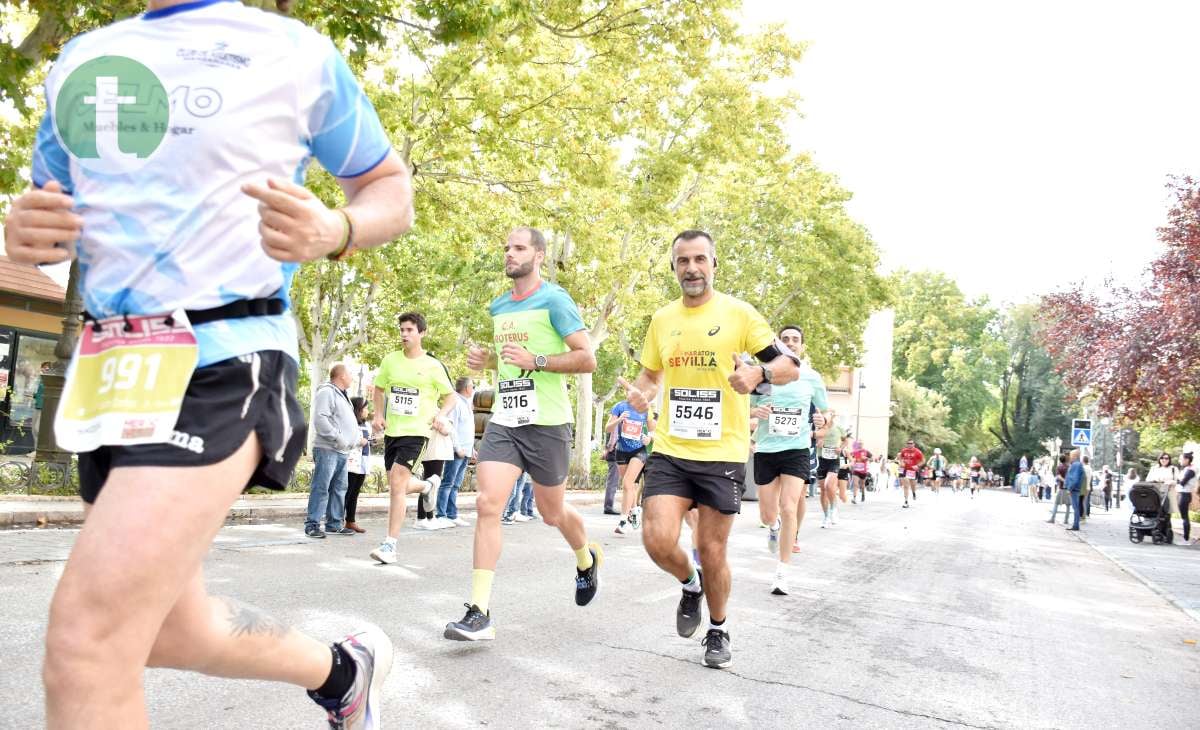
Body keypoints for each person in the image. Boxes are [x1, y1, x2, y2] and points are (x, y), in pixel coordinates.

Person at [7, 0, 415, 724]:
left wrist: (337, 227)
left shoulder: (296, 53)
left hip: (225, 356)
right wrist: (28, 226)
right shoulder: (82, 60)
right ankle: (343, 670)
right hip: (114, 377)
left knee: (85, 641)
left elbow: (389, 188)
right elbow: (50, 212)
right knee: (171, 629)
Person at [618, 229, 802, 668]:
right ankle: (689, 585)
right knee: (657, 539)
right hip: (671, 448)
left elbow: (788, 365)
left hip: (722, 451)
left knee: (712, 548)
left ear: (714, 265)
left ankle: (718, 629)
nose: (692, 268)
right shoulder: (663, 319)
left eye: (700, 259)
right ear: (674, 269)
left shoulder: (738, 314)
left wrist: (758, 374)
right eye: (683, 261)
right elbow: (650, 376)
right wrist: (640, 395)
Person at [444, 226, 599, 642]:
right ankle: (479, 611)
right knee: (487, 503)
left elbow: (588, 358)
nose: (509, 254)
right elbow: (510, 362)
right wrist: (487, 358)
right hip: (507, 420)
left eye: (518, 248)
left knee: (552, 513)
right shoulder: (498, 306)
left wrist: (539, 359)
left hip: (547, 423)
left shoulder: (555, 300)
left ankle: (585, 557)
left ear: (539, 255)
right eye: (506, 248)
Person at [368, 312, 456, 562]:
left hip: (418, 431)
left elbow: (450, 396)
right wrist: (377, 415)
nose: (404, 334)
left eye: (409, 330)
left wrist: (441, 414)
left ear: (421, 333)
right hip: (393, 431)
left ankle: (390, 545)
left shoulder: (432, 365)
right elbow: (379, 388)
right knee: (397, 486)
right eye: (402, 330)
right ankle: (428, 485)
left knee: (397, 483)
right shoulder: (390, 361)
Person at [749, 324, 828, 595]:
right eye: (785, 339)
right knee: (768, 513)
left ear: (802, 346)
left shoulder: (811, 377)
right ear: (777, 344)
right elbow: (744, 413)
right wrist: (754, 415)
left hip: (796, 449)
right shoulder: (762, 376)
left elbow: (827, 414)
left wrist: (822, 420)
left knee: (789, 506)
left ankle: (782, 572)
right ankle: (773, 528)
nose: (791, 343)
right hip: (766, 450)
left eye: (795, 339)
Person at [305, 364, 363, 538]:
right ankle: (312, 525)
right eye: (350, 374)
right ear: (342, 376)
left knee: (339, 488)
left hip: (342, 451)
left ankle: (334, 524)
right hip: (328, 448)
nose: (352, 377)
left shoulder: (342, 395)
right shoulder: (327, 392)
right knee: (321, 487)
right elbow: (320, 419)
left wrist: (352, 441)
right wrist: (339, 437)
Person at [608, 398, 655, 535]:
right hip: (621, 451)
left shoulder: (646, 409)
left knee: (627, 483)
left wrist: (649, 438)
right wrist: (619, 420)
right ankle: (634, 510)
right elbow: (608, 428)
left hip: (639, 451)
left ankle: (623, 521)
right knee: (629, 486)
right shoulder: (619, 406)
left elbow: (654, 430)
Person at [437, 377, 475, 528]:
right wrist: (457, 448)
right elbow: (452, 428)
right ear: (467, 388)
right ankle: (441, 515)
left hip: (465, 450)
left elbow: (467, 430)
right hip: (456, 451)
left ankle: (452, 514)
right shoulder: (456, 403)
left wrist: (472, 449)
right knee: (448, 483)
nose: (474, 388)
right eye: (473, 385)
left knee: (456, 484)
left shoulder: (467, 404)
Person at [420, 414, 456, 529]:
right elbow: (446, 431)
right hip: (434, 453)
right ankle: (422, 518)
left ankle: (429, 517)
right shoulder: (435, 412)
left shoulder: (438, 413)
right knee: (429, 486)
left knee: (430, 486)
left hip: (435, 453)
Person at [343, 397, 371, 534]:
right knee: (347, 493)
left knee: (355, 493)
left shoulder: (366, 424)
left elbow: (367, 440)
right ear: (358, 409)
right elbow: (347, 440)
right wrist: (360, 441)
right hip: (351, 462)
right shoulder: (350, 422)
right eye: (365, 408)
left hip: (362, 462)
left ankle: (350, 521)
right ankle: (337, 520)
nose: (368, 411)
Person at [815, 411, 844, 527]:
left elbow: (846, 440)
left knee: (829, 485)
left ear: (833, 416)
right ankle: (826, 516)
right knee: (823, 490)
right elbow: (811, 440)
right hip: (821, 459)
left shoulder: (838, 428)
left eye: (830, 415)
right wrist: (818, 443)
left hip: (833, 460)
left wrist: (840, 448)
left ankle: (833, 509)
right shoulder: (818, 428)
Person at [898, 439, 924, 508]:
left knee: (913, 485)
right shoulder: (904, 450)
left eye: (911, 443)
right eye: (908, 443)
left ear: (914, 444)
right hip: (905, 470)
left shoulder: (918, 452)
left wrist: (917, 465)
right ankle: (906, 501)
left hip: (913, 471)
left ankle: (914, 493)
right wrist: (901, 462)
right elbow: (900, 457)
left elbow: (923, 461)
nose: (909, 444)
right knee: (906, 486)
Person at [1048, 454, 1072, 525]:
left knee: (1056, 504)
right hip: (1068, 489)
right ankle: (1066, 520)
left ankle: (1052, 518)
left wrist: (1064, 481)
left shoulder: (1059, 467)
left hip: (1061, 488)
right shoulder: (1069, 467)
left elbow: (1058, 476)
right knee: (1068, 505)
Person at [1178, 453, 1196, 543]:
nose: (1179, 461)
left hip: (1185, 495)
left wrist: (1174, 481)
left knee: (1184, 517)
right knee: (1184, 516)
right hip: (1183, 494)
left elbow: (1182, 482)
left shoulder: (1191, 470)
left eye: (1181, 459)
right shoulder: (1187, 469)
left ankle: (1186, 538)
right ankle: (1185, 538)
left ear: (1187, 460)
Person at [1065, 449, 1084, 531]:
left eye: (1071, 455)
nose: (1070, 457)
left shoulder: (1076, 465)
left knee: (1075, 507)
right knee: (1075, 507)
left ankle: (1075, 525)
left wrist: (1070, 488)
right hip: (1075, 489)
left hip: (1074, 489)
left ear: (1075, 456)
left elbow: (1074, 478)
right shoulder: (1077, 464)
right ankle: (1075, 525)